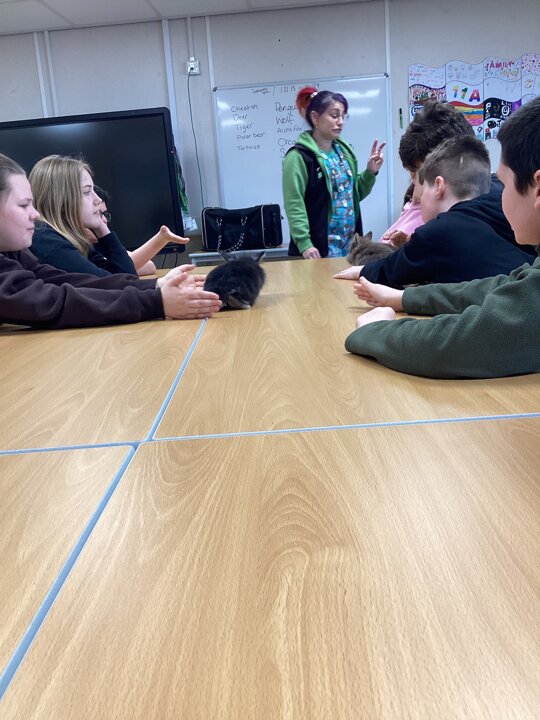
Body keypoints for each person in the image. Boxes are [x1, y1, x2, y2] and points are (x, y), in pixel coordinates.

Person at [343, 96, 540, 380]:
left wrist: (377, 330)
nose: (497, 193)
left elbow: (465, 342)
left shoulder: (447, 227)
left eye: (504, 183)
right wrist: (405, 298)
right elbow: (502, 286)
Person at [0, 153, 222, 329]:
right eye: (23, 205)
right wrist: (155, 301)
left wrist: (155, 287)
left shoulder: (14, 251)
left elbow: (71, 281)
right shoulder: (43, 240)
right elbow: (49, 301)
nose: (35, 214)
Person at [337, 135, 533, 288]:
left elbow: (390, 271)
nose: (420, 199)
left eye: (422, 189)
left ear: (438, 186)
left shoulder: (438, 231)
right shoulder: (506, 213)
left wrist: (362, 270)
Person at [29, 155, 187, 277]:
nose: (97, 199)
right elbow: (117, 286)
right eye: (87, 192)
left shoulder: (75, 241)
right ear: (61, 200)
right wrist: (159, 286)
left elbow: (126, 277)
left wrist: (102, 228)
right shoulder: (47, 240)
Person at [282, 86, 385, 259]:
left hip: (349, 247)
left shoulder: (343, 153)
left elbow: (353, 195)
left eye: (343, 116)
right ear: (315, 117)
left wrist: (370, 173)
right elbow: (294, 204)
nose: (341, 121)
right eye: (334, 115)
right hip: (316, 250)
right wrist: (304, 243)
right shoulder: (298, 157)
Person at [93, 185, 180, 276]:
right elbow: (118, 274)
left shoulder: (100, 245)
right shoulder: (85, 254)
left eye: (104, 214)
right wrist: (160, 239)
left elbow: (149, 266)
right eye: (98, 214)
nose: (104, 220)